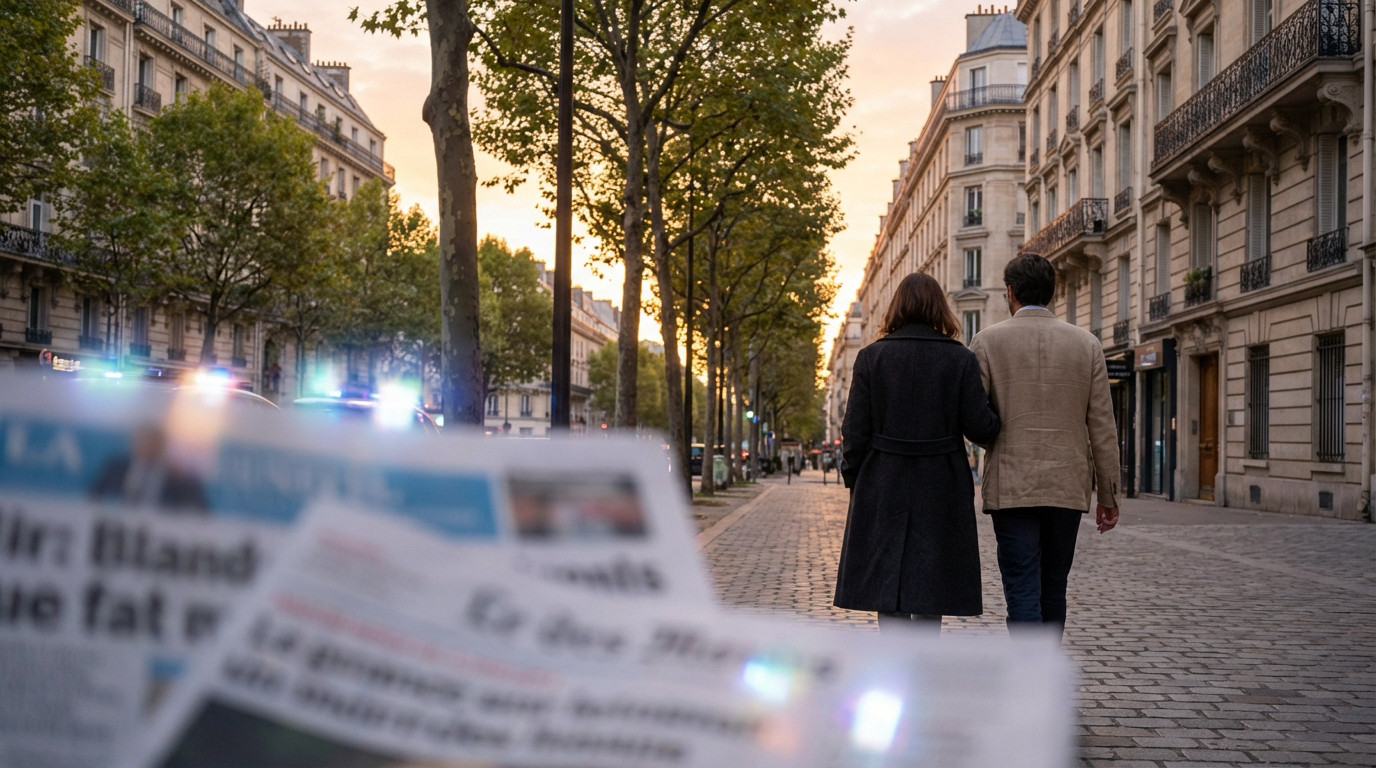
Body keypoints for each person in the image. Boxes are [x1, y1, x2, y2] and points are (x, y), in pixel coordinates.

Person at [834, 272, 1001, 633]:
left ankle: (896, 664)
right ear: (939, 307)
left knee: (886, 581)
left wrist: (855, 478)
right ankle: (923, 663)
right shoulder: (959, 360)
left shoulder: (870, 357)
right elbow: (981, 427)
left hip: (882, 477)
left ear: (896, 307)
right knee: (933, 580)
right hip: (941, 479)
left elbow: (854, 430)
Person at [968, 253, 1120, 642]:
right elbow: (1102, 425)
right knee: (1054, 586)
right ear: (1052, 293)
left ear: (1010, 292)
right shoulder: (1087, 345)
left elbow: (973, 419)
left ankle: (1028, 676)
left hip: (1012, 486)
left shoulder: (986, 342)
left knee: (1021, 586)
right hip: (1065, 486)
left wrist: (997, 442)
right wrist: (1108, 494)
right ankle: (1045, 670)